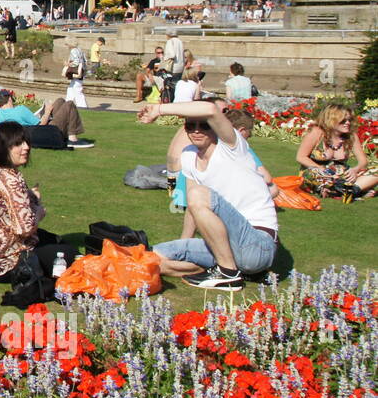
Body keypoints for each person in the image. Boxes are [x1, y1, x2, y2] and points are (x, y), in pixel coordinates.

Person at [140, 98, 278, 289]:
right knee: (154, 256)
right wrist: (184, 244)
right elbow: (193, 208)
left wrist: (159, 109)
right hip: (225, 246)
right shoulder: (189, 155)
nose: (197, 130)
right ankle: (225, 269)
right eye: (190, 125)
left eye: (204, 125)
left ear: (214, 126)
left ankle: (228, 274)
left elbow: (211, 108)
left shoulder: (232, 147)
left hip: (257, 245)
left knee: (197, 193)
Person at [0, 122, 77, 283]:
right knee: (69, 255)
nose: (26, 147)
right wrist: (39, 213)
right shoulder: (10, 178)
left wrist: (29, 195)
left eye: (26, 142)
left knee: (53, 240)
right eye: (18, 144)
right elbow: (24, 228)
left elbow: (7, 202)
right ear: (3, 148)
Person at [295, 103, 377, 201]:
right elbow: (301, 157)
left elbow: (363, 162)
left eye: (349, 120)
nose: (347, 123)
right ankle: (353, 190)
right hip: (318, 173)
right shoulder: (317, 132)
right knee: (312, 173)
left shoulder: (351, 136)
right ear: (331, 120)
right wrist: (321, 169)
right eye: (343, 120)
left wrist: (355, 170)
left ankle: (348, 191)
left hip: (341, 174)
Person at [0, 89, 92, 148]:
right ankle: (72, 139)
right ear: (9, 99)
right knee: (69, 104)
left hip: (27, 133)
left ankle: (66, 133)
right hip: (44, 132)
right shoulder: (20, 110)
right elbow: (41, 125)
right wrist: (47, 112)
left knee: (60, 101)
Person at [63, 41, 87, 108]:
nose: (66, 46)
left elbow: (76, 62)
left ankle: (83, 106)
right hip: (80, 72)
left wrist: (68, 64)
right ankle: (67, 104)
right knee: (71, 88)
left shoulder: (73, 50)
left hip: (75, 71)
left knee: (77, 89)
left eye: (67, 44)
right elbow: (85, 61)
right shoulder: (80, 49)